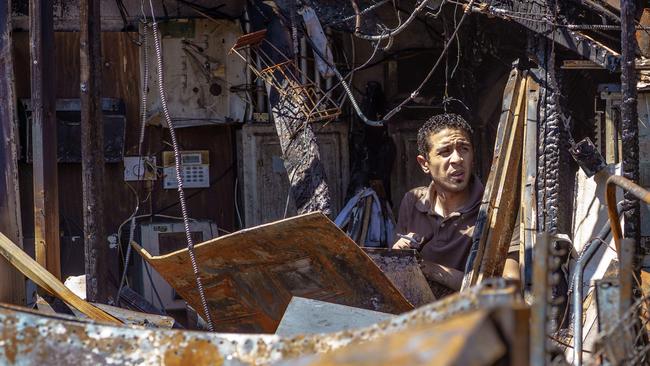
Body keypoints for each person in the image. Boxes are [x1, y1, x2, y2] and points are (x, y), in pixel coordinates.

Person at [393, 113, 519, 292]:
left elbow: (509, 288)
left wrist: (430, 269)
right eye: (445, 152)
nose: (457, 159)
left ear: (472, 155)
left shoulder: (499, 210)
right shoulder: (412, 201)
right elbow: (397, 274)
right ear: (424, 163)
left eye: (464, 149)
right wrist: (399, 256)